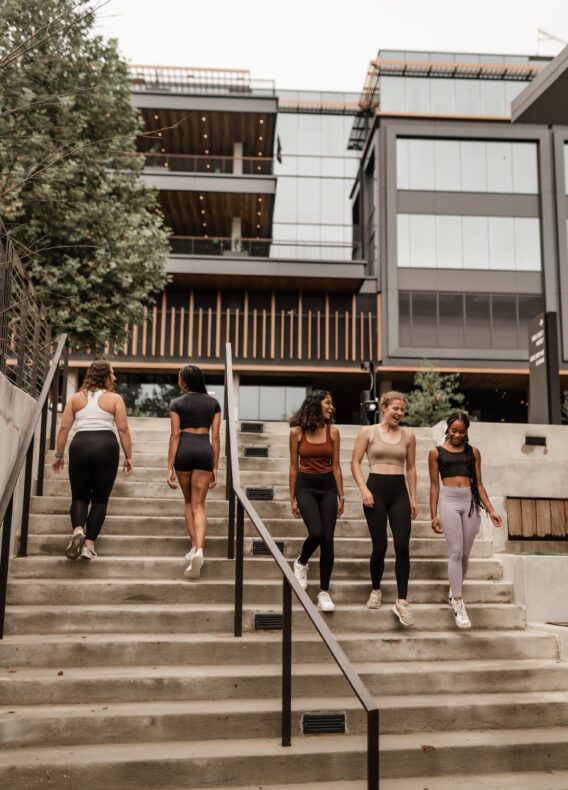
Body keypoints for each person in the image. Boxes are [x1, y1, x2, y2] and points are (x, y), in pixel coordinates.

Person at [428, 411, 503, 629]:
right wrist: (433, 514)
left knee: (466, 554)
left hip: (470, 502)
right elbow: (434, 486)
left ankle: (454, 590)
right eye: (454, 430)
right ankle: (458, 603)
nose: (458, 435)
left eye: (462, 431)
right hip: (449, 501)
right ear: (447, 428)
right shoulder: (436, 453)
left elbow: (479, 484)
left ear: (467, 431)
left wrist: (491, 510)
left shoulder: (474, 452)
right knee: (456, 552)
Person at [53, 361, 132, 561]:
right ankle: (88, 546)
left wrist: (59, 456)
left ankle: (78, 529)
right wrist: (128, 456)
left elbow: (64, 429)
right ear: (105, 376)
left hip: (80, 445)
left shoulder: (75, 398)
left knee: (79, 497)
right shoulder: (115, 399)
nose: (114, 378)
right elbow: (123, 429)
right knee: (99, 499)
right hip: (106, 446)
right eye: (112, 374)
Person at [351, 391, 418, 627]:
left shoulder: (409, 436)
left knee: (402, 546)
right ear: (384, 408)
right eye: (395, 409)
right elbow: (355, 462)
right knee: (380, 546)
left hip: (399, 493)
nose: (399, 413)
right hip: (375, 491)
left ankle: (402, 601)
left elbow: (411, 468)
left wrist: (413, 498)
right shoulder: (368, 432)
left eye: (402, 410)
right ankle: (376, 590)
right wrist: (363, 490)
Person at [289, 390, 344, 612]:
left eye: (332, 404)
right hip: (305, 487)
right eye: (328, 403)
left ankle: (324, 593)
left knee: (328, 539)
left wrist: (341, 496)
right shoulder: (297, 432)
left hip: (328, 488)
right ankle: (301, 562)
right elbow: (293, 467)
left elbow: (336, 466)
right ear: (315, 404)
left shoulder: (334, 432)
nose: (332, 407)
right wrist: (292, 498)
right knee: (317, 533)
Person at [167, 364, 221, 579]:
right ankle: (199, 549)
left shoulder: (176, 403)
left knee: (189, 501)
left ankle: (193, 547)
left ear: (184, 381)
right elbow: (215, 437)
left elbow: (174, 436)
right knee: (200, 504)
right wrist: (215, 466)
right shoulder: (213, 403)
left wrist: (169, 467)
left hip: (184, 449)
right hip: (204, 450)